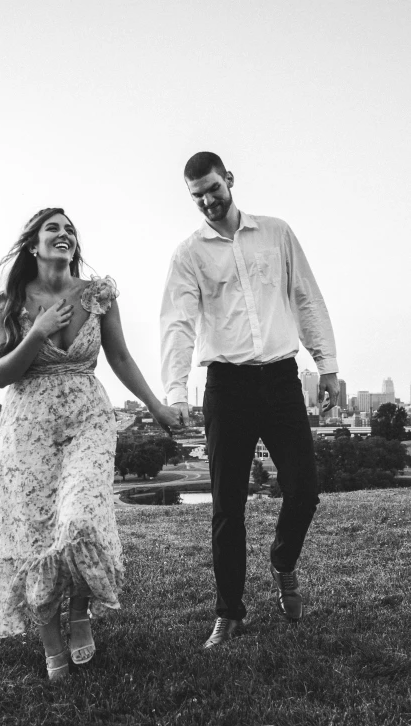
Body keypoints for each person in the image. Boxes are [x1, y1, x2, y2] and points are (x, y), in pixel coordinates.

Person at [0, 207, 180, 680]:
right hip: (27, 429)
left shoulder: (97, 296)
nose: (64, 234)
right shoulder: (8, 305)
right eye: (53, 228)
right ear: (33, 245)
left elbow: (119, 357)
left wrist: (156, 407)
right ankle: (51, 640)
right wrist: (38, 331)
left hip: (88, 420)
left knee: (81, 517)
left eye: (70, 230)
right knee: (36, 537)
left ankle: (79, 611)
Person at [160, 152, 339, 648]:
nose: (207, 201)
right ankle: (229, 612)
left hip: (282, 380)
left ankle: (282, 562)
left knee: (304, 489)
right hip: (227, 387)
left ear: (230, 180)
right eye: (196, 195)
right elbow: (178, 323)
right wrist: (175, 390)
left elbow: (307, 297)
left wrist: (328, 365)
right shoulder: (189, 253)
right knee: (227, 507)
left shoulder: (277, 233)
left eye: (213, 189)